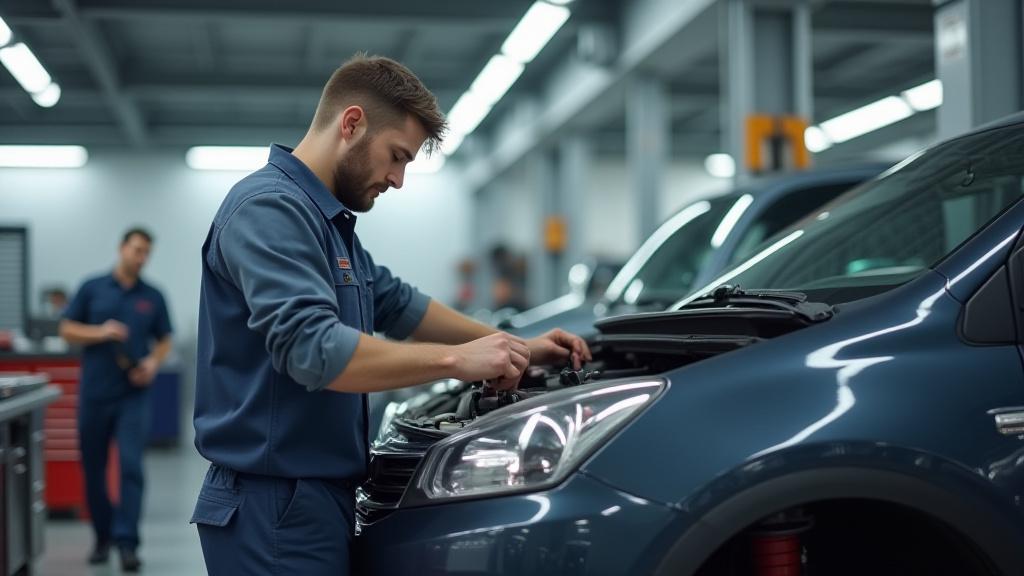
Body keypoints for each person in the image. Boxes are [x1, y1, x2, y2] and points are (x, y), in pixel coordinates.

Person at [191, 53, 592, 576]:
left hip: (312, 499)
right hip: (274, 506)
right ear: (352, 123)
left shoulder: (327, 223)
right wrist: (455, 360)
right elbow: (313, 350)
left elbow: (398, 304)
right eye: (397, 156)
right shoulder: (269, 209)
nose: (399, 179)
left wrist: (515, 343)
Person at [59, 227, 173, 572]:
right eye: (136, 250)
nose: (140, 258)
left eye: (146, 253)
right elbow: (66, 329)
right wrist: (102, 331)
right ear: (122, 248)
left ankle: (127, 543)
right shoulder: (92, 288)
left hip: (132, 397)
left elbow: (165, 338)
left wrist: (153, 362)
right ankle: (102, 537)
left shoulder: (152, 296)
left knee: (131, 467)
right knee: (93, 470)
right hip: (95, 395)